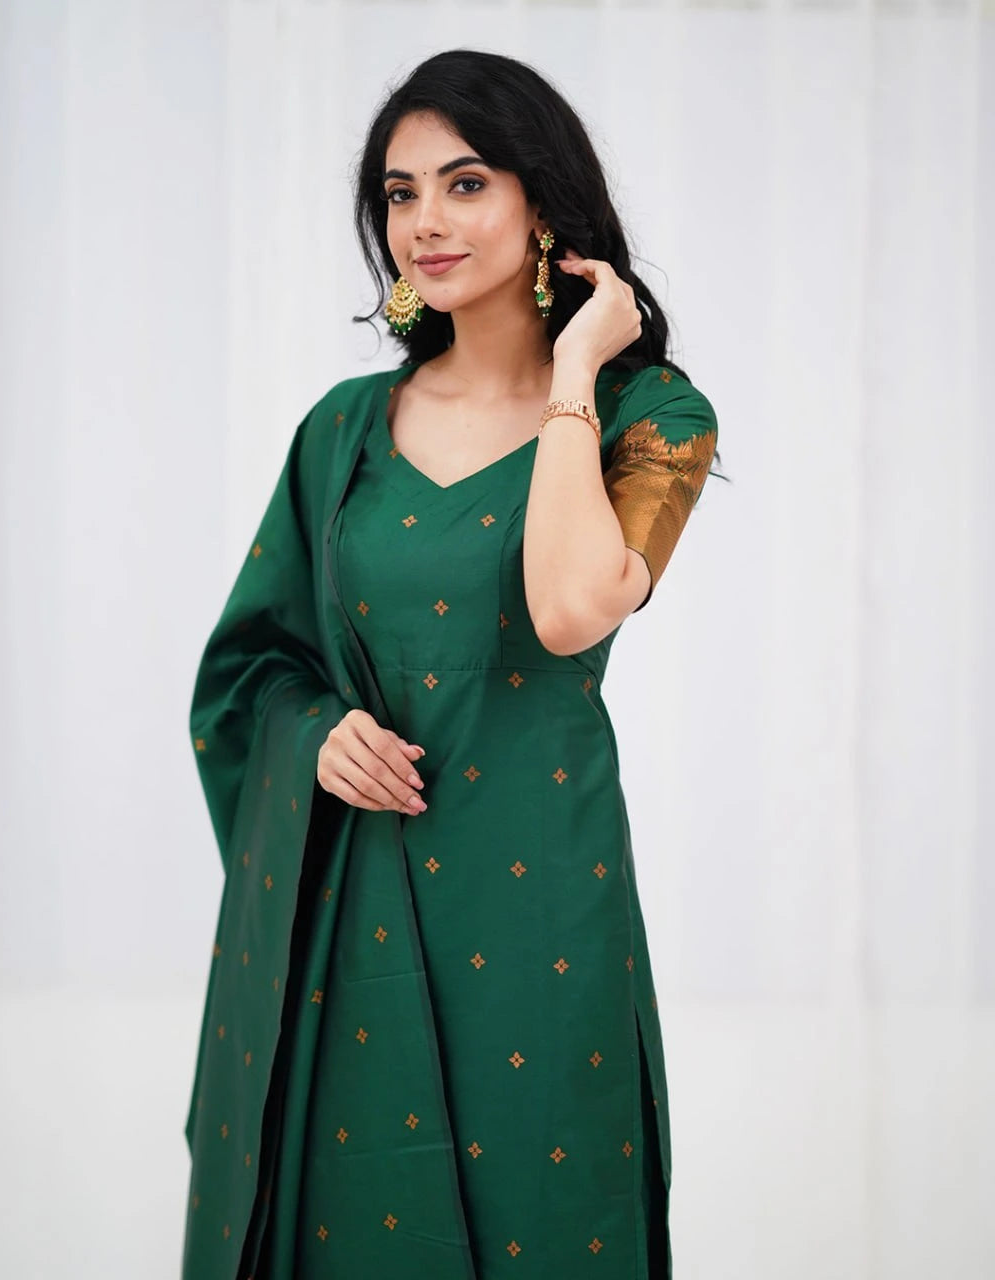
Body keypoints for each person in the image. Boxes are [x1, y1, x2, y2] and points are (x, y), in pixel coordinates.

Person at [182, 48, 719, 1280]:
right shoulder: (342, 431)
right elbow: (251, 666)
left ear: (542, 202)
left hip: (537, 899)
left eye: (464, 183)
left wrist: (574, 372)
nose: (423, 222)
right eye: (398, 191)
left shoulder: (654, 417)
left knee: (547, 1207)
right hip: (350, 894)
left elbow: (573, 608)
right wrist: (314, 728)